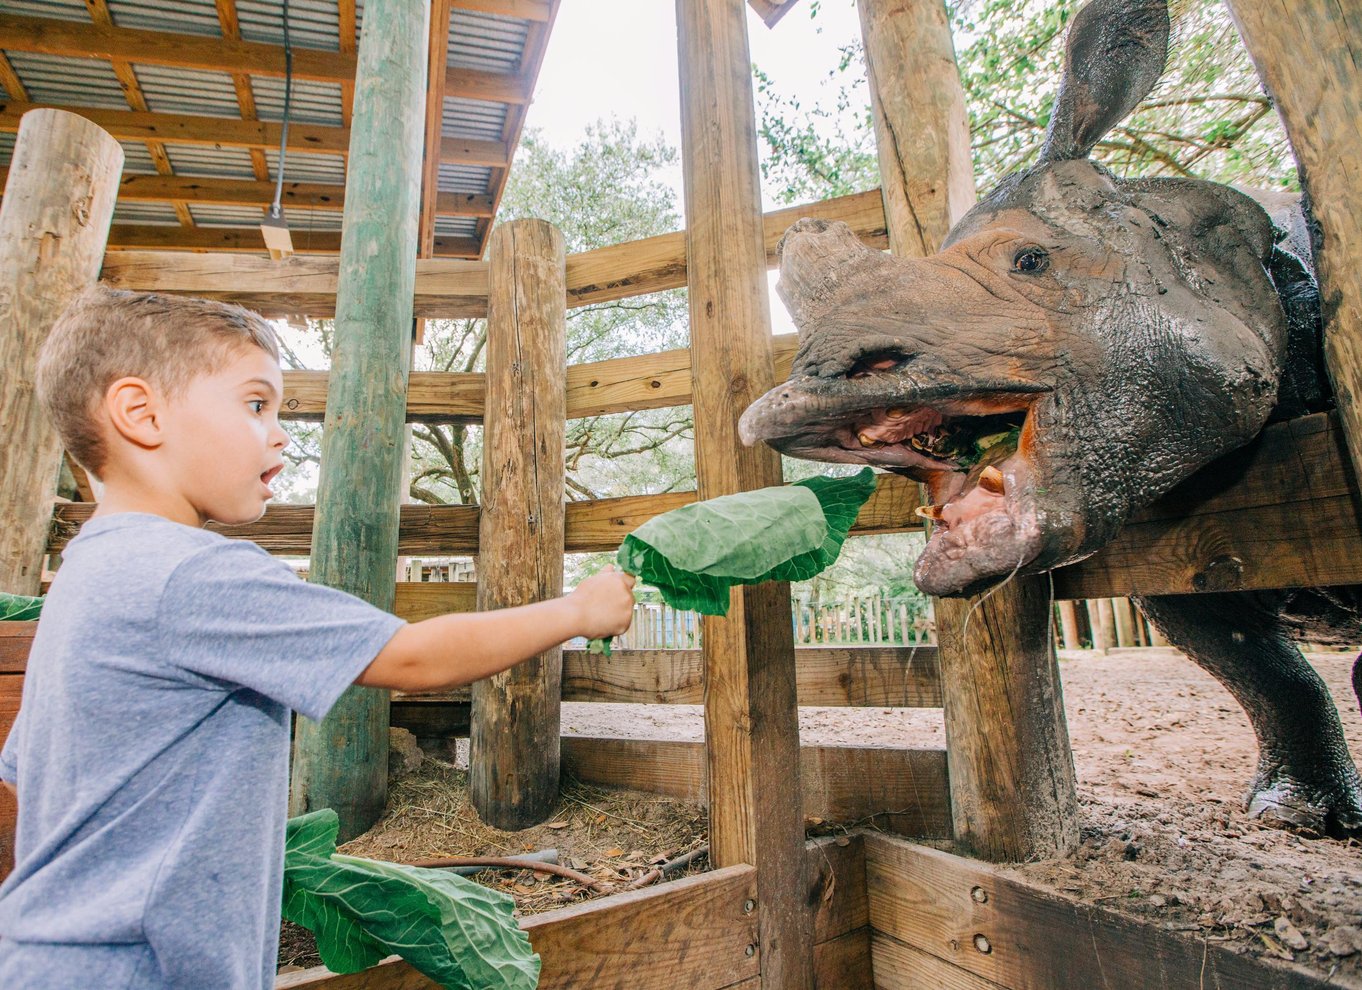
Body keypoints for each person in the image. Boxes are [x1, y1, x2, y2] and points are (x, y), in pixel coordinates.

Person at [0, 285, 635, 988]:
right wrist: (578, 611)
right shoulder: (193, 574)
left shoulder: (88, 573)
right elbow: (413, 658)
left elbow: (28, 772)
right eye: (254, 404)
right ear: (140, 413)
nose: (281, 434)